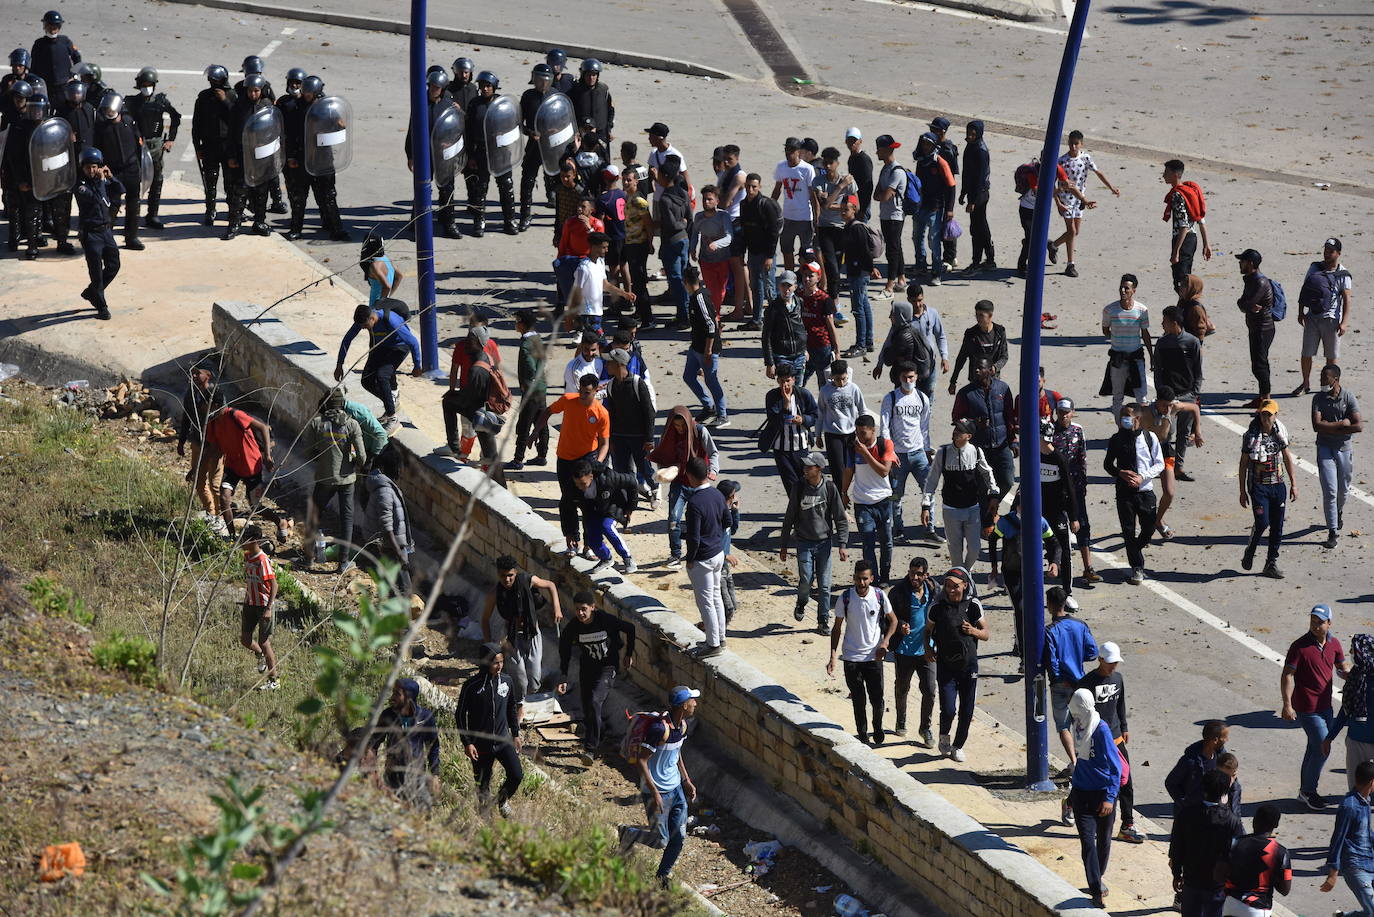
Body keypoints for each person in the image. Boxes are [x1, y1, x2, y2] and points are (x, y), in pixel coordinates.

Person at [618, 686, 699, 890]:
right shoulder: (659, 730)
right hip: (656, 792)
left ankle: (662, 875)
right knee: (661, 840)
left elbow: (677, 753)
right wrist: (654, 793)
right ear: (683, 705)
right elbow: (641, 761)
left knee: (679, 837)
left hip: (676, 789)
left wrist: (686, 780)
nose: (695, 704)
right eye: (692, 701)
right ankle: (628, 833)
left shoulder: (683, 726)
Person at [952, 358, 1017, 586]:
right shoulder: (966, 393)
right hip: (979, 448)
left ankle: (990, 509)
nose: (979, 371)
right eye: (976, 368)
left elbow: (1009, 416)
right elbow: (957, 419)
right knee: (982, 487)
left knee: (1007, 480)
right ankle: (986, 518)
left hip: (1001, 446)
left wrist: (1013, 440)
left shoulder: (1003, 389)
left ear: (992, 369)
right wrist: (972, 423)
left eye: (983, 367)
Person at [556, 591, 637, 765]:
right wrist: (563, 676)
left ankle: (591, 749)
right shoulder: (573, 627)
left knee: (594, 700)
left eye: (584, 609)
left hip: (608, 668)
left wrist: (628, 654)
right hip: (587, 669)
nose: (580, 614)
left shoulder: (605, 620)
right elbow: (565, 651)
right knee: (588, 708)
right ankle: (602, 730)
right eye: (577, 609)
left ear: (593, 607)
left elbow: (630, 629)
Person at [1280, 603, 1348, 809]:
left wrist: (1355, 677)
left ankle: (1304, 791)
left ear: (1329, 623)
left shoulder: (1334, 644)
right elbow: (1288, 675)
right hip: (1307, 708)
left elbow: (1341, 668)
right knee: (1322, 748)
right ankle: (1309, 791)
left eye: (1319, 622)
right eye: (1312, 621)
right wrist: (1287, 705)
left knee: (1313, 748)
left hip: (1326, 707)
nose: (1315, 625)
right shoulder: (1299, 646)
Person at [537, 373, 611, 557]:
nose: (582, 396)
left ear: (596, 390)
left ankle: (589, 545)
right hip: (565, 459)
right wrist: (534, 433)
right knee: (567, 500)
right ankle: (572, 541)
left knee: (588, 504)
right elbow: (547, 412)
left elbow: (604, 443)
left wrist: (598, 463)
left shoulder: (601, 413)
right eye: (581, 391)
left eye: (587, 392)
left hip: (587, 460)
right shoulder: (568, 400)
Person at [827, 560, 897, 746]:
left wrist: (885, 641)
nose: (862, 583)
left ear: (871, 579)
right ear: (854, 578)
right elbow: (837, 628)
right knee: (858, 699)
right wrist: (833, 656)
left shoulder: (880, 596)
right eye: (858, 579)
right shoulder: (845, 598)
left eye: (865, 579)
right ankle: (863, 734)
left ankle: (878, 726)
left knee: (877, 698)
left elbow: (894, 621)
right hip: (851, 657)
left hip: (873, 657)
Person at [1079, 643, 1143, 844]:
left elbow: (1120, 704)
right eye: (1109, 663)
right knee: (1094, 780)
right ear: (1100, 660)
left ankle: (1127, 824)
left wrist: (1124, 727)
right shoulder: (1087, 682)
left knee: (1126, 781)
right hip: (1095, 740)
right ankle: (1073, 803)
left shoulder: (1118, 679)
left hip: (1116, 738)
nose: (1113, 667)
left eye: (1115, 663)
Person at [1066, 687, 1123, 908]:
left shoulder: (1100, 730)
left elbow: (1115, 767)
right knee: (1088, 843)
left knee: (1103, 841)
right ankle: (1096, 886)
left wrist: (1109, 798)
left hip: (1102, 795)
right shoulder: (1078, 726)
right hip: (1081, 794)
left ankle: (1097, 877)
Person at [780, 451, 849, 632]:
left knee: (825, 586)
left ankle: (823, 620)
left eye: (809, 466)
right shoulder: (799, 487)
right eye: (805, 466)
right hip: (803, 542)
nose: (805, 469)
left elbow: (840, 518)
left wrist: (842, 544)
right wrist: (784, 544)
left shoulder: (829, 488)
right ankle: (802, 602)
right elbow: (789, 516)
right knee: (805, 579)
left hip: (824, 543)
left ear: (819, 469)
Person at [456, 643, 525, 817]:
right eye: (495, 662)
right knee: (483, 786)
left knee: (516, 775)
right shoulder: (471, 686)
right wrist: (467, 743)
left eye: (502, 661)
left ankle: (502, 801)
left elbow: (511, 708)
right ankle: (485, 823)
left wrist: (515, 734)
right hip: (480, 746)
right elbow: (459, 715)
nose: (500, 666)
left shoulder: (507, 681)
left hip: (503, 741)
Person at [927, 567, 988, 762]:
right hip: (946, 666)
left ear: (965, 585)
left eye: (955, 586)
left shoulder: (973, 605)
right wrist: (928, 649)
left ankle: (958, 745)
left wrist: (973, 631)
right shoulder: (936, 607)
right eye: (947, 586)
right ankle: (944, 736)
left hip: (969, 666)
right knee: (949, 708)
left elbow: (986, 633)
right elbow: (927, 631)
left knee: (967, 710)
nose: (951, 590)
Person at [481, 555, 560, 698]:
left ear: (515, 573)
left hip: (532, 634)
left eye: (510, 575)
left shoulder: (526, 580)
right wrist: (489, 647)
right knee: (520, 678)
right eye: (503, 576)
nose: (507, 579)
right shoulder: (495, 594)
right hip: (511, 638)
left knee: (535, 680)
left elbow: (550, 585)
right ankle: (519, 705)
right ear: (498, 574)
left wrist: (557, 607)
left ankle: (532, 697)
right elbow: (485, 619)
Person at [334, 300, 423, 428]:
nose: (363, 328)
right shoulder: (363, 320)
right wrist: (339, 365)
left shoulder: (391, 320)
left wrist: (417, 365)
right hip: (381, 346)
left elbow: (413, 342)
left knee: (382, 375)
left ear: (372, 318)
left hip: (399, 347)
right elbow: (347, 340)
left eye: (365, 325)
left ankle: (393, 418)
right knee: (366, 380)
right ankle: (391, 401)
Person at [922, 419, 996, 574]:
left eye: (960, 431)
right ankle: (960, 577)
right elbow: (932, 480)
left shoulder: (976, 451)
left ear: (968, 436)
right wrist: (926, 505)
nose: (955, 432)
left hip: (972, 509)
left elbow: (987, 472)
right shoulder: (943, 453)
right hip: (951, 510)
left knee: (975, 549)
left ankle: (964, 573)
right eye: (955, 429)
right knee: (955, 553)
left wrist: (993, 492)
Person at [649, 406, 719, 568]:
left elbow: (713, 452)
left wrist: (713, 470)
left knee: (699, 521)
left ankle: (699, 554)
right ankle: (675, 555)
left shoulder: (700, 432)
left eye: (683, 426)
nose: (680, 429)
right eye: (676, 426)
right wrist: (665, 472)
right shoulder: (668, 436)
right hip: (679, 483)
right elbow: (663, 457)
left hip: (699, 483)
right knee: (674, 519)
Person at [305, 389, 366, 572]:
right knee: (346, 520)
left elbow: (308, 452)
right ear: (342, 404)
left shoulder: (316, 423)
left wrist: (322, 460)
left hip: (324, 478)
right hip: (346, 480)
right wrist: (352, 459)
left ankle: (308, 558)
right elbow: (362, 458)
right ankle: (343, 563)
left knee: (314, 516)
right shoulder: (352, 425)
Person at [1170, 769, 1245, 917]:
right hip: (1218, 886)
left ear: (1203, 788)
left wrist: (1177, 873)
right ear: (1225, 792)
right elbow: (1238, 854)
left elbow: (1177, 847)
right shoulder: (1232, 821)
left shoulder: (1186, 814)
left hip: (1191, 880)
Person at [1103, 403, 1164, 585]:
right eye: (1122, 415)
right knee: (1128, 531)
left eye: (1127, 415)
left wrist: (1142, 477)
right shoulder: (1116, 439)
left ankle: (1134, 549)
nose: (1124, 419)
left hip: (1145, 492)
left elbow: (1159, 464)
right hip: (1124, 493)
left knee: (1149, 528)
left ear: (1137, 418)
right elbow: (1108, 465)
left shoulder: (1149, 437)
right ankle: (1137, 566)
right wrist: (1120, 473)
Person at [1048, 131, 1119, 279]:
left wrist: (1111, 187)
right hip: (1065, 199)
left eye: (1076, 143)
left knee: (1075, 232)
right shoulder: (1061, 161)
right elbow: (1052, 184)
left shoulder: (1086, 158)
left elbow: (1098, 173)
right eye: (1071, 143)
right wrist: (1058, 202)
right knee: (1071, 231)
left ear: (1081, 144)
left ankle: (1053, 245)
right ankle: (1070, 264)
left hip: (1080, 200)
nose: (1073, 146)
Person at [1239, 400, 1297, 579]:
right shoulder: (1250, 436)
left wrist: (1294, 484)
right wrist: (1242, 491)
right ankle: (1251, 549)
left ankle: (1271, 562)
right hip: (1258, 486)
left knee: (1277, 526)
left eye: (1269, 414)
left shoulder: (1280, 433)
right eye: (1263, 414)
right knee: (1263, 522)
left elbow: (1287, 457)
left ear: (1275, 415)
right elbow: (1243, 464)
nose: (1266, 418)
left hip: (1278, 485)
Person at [1138, 386, 1203, 540]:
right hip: (1146, 452)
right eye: (1164, 405)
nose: (1167, 408)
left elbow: (1194, 407)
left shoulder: (1174, 407)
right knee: (1139, 493)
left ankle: (1158, 520)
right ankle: (1138, 524)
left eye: (1169, 405)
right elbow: (1159, 435)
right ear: (1157, 402)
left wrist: (1197, 431)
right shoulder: (1146, 412)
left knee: (1170, 492)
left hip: (1165, 450)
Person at [440, 327, 506, 477]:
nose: (467, 343)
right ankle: (456, 448)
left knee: (491, 458)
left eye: (471, 340)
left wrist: (455, 397)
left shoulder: (476, 370)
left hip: (480, 415)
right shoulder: (483, 357)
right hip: (482, 411)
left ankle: (456, 448)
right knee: (491, 456)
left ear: (479, 343)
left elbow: (470, 398)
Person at [204, 396, 274, 534]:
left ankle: (279, 521)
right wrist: (196, 469)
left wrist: (267, 455)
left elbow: (263, 427)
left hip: (251, 466)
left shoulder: (235, 415)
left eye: (207, 405)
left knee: (255, 506)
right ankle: (231, 537)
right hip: (232, 466)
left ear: (216, 404)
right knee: (224, 498)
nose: (203, 409)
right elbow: (213, 448)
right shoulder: (213, 423)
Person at [683, 456, 731, 657]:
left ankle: (713, 644)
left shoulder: (694, 502)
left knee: (706, 602)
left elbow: (693, 537)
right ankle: (720, 638)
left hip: (702, 558)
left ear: (691, 476)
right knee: (715, 597)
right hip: (718, 554)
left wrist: (689, 558)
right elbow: (727, 520)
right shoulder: (717, 494)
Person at [880, 362, 931, 544]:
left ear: (917, 376)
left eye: (911, 377)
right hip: (898, 456)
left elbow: (924, 427)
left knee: (928, 490)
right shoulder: (891, 398)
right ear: (899, 378)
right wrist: (889, 452)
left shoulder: (923, 399)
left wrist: (927, 450)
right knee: (895, 495)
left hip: (918, 454)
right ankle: (898, 529)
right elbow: (884, 427)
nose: (908, 380)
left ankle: (929, 528)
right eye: (904, 377)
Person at [1051, 399, 1100, 588]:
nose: (1063, 415)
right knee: (1057, 528)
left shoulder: (1078, 431)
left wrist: (1084, 482)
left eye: (1067, 412)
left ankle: (1088, 567)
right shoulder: (1049, 430)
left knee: (1082, 525)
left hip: (1076, 487)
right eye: (1060, 412)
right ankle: (1058, 564)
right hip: (1055, 487)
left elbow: (1082, 457)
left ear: (1073, 412)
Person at [368, 678, 440, 806]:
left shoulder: (425, 717)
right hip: (393, 775)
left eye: (397, 694)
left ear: (409, 697)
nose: (392, 697)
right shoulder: (388, 715)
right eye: (393, 692)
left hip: (417, 776)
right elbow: (374, 743)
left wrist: (435, 775)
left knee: (424, 812)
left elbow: (433, 746)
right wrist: (372, 771)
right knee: (394, 812)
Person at [1295, 237, 1354, 394]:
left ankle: (1331, 387)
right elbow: (1305, 289)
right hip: (1312, 317)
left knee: (1331, 356)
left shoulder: (1343, 274)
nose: (1327, 253)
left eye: (1331, 251)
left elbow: (1347, 299)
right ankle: (1305, 383)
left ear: (1338, 253)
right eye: (1325, 250)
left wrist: (1344, 323)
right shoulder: (1315, 268)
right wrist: (1301, 312)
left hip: (1332, 320)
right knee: (1306, 353)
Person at [123, 67, 179, 230]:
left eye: (149, 84)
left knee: (157, 181)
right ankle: (132, 215)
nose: (147, 87)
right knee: (134, 182)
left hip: (155, 146)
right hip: (136, 146)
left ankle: (152, 215)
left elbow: (176, 117)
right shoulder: (132, 102)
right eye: (144, 84)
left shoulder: (160, 101)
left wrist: (170, 140)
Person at [1154, 305, 1205, 482]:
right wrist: (1162, 394)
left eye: (1165, 321)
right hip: (1169, 399)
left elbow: (1198, 369)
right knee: (1167, 433)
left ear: (1174, 323)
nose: (1162, 324)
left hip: (1187, 395)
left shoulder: (1192, 342)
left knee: (1183, 434)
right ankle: (1164, 466)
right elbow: (1158, 370)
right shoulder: (1162, 343)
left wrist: (1195, 392)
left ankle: (1178, 468)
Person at [844, 414, 897, 584]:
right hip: (862, 503)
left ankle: (885, 577)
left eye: (863, 433)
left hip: (884, 501)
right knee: (867, 544)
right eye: (857, 433)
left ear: (873, 431)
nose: (859, 437)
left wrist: (865, 453)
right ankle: (872, 580)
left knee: (886, 543)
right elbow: (848, 470)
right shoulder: (853, 446)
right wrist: (843, 493)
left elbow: (884, 472)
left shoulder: (885, 444)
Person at [889, 557, 937, 746]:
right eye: (912, 573)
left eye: (919, 574)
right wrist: (900, 625)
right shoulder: (898, 592)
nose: (914, 577)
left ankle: (925, 728)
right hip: (904, 650)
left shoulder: (934, 591)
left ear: (926, 574)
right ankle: (901, 720)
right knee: (902, 688)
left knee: (930, 691)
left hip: (927, 651)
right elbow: (888, 617)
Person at [1313, 364, 1362, 549]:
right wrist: (1342, 424)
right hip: (1324, 448)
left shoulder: (1348, 397)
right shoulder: (1318, 398)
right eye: (1320, 377)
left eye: (1325, 378)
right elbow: (1316, 426)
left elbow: (1358, 426)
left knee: (1343, 489)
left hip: (1344, 448)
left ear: (1336, 379)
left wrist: (1330, 426)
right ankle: (1332, 531)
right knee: (1330, 491)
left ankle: (1338, 511)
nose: (1321, 381)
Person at [69, 149, 121, 319]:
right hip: (91, 235)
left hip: (106, 231)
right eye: (87, 168)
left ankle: (92, 292)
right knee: (96, 273)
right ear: (82, 168)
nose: (91, 171)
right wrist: (101, 181)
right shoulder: (80, 185)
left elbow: (121, 189)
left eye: (94, 167)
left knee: (114, 265)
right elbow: (96, 199)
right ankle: (101, 305)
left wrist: (111, 178)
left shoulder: (102, 181)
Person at [92, 89, 145, 251]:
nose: (109, 113)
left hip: (131, 169)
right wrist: (102, 167)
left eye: (112, 110)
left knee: (133, 204)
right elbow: (97, 149)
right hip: (113, 171)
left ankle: (132, 237)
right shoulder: (101, 128)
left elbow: (140, 145)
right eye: (107, 110)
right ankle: (106, 238)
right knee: (111, 205)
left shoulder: (129, 122)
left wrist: (140, 167)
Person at [222, 75, 273, 240]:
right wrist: (231, 155)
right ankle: (234, 224)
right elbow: (231, 133)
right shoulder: (239, 107)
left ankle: (259, 222)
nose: (253, 94)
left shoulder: (267, 106)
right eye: (250, 91)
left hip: (262, 157)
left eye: (256, 91)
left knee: (261, 192)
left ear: (261, 91)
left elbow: (274, 131)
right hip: (243, 155)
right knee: (239, 192)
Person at [1320, 760, 1374, 914]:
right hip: (1355, 865)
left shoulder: (1365, 801)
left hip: (1369, 861)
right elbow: (1338, 838)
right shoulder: (1349, 806)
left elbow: (1365, 832)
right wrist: (1333, 873)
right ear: (1371, 782)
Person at [359, 451, 413, 598]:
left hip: (390, 544)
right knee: (403, 587)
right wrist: (399, 554)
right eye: (398, 468)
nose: (400, 472)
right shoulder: (386, 492)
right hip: (391, 546)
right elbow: (386, 527)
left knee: (396, 584)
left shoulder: (383, 487)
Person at [1325, 632, 1374, 793]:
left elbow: (1345, 711)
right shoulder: (1355, 676)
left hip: (1357, 741)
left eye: (1353, 650)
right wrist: (1329, 737)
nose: (1351, 654)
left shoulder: (1355, 677)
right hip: (1357, 742)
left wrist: (1330, 737)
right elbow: (1345, 710)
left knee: (1356, 789)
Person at [571, 458, 639, 575]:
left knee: (607, 527)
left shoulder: (609, 478)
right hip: (593, 511)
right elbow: (567, 506)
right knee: (591, 537)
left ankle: (627, 558)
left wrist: (630, 508)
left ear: (591, 477)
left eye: (583, 484)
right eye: (577, 484)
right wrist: (570, 532)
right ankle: (606, 558)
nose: (580, 487)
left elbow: (632, 482)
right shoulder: (573, 488)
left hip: (612, 506)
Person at [604, 348, 656, 500]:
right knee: (622, 471)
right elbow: (611, 414)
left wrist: (649, 439)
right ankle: (627, 500)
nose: (606, 365)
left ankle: (655, 490)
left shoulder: (637, 383)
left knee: (645, 469)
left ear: (619, 364)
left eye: (609, 362)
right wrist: (611, 439)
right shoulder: (611, 385)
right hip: (619, 437)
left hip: (639, 437)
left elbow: (649, 412)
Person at [177, 363, 223, 529]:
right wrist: (181, 441)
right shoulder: (191, 394)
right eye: (192, 374)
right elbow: (186, 418)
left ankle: (221, 517)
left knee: (215, 484)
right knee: (199, 482)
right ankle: (211, 514)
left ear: (208, 375)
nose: (194, 377)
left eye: (197, 373)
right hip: (197, 442)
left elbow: (222, 421)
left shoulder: (216, 394)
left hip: (215, 446)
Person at [1100, 273, 1152, 421]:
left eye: (1126, 288)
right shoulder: (1109, 310)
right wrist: (1117, 339)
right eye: (1121, 287)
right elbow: (1105, 330)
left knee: (1142, 397)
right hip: (1118, 359)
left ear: (1133, 290)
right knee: (1117, 396)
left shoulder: (1142, 310)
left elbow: (1145, 333)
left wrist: (1152, 356)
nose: (1123, 291)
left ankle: (1141, 428)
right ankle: (1120, 427)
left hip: (1136, 358)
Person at [1223, 804, 1292, 917]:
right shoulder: (1281, 852)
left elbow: (1218, 874)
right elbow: (1285, 890)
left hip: (1229, 905)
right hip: (1257, 910)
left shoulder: (1233, 843)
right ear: (1276, 825)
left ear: (1254, 820)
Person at [760, 366, 818, 499]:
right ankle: (797, 513)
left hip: (801, 447)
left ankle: (806, 510)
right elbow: (773, 420)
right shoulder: (772, 396)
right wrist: (786, 406)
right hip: (781, 449)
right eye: (781, 381)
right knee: (790, 484)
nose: (784, 385)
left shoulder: (804, 394)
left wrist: (803, 419)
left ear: (794, 379)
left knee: (805, 481)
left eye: (787, 380)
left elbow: (815, 416)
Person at [682, 264, 727, 427]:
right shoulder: (697, 295)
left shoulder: (700, 298)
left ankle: (722, 415)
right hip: (696, 347)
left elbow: (711, 326)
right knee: (688, 376)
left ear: (686, 282)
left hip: (706, 349)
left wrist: (708, 351)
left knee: (711, 381)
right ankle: (708, 406)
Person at [810, 148, 856, 302]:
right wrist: (840, 188)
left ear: (837, 163)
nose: (828, 166)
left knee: (838, 264)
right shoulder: (819, 181)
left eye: (831, 163)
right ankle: (834, 302)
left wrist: (832, 202)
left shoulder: (848, 179)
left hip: (843, 228)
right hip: (825, 228)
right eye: (825, 163)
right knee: (831, 266)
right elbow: (824, 206)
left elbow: (856, 206)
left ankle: (834, 298)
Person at [910, 132, 955, 285]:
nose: (925, 146)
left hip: (935, 208)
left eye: (928, 144)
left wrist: (950, 209)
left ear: (934, 145)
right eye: (924, 143)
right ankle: (920, 266)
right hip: (920, 207)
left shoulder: (940, 162)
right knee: (917, 237)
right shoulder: (921, 161)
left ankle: (936, 272)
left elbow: (951, 186)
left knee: (934, 241)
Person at [739, 172, 783, 328]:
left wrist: (770, 256)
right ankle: (757, 320)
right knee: (756, 287)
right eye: (748, 186)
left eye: (754, 187)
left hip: (765, 254)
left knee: (770, 288)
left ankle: (779, 319)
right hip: (753, 252)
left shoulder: (766, 205)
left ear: (759, 187)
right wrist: (742, 252)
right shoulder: (744, 204)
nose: (750, 190)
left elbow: (773, 232)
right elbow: (744, 230)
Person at [1235, 248, 1276, 408]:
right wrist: (1246, 304)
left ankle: (1266, 401)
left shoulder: (1259, 282)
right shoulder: (1250, 279)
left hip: (1262, 329)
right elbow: (1243, 303)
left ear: (1250, 263)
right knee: (1257, 364)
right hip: (1256, 327)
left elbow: (1246, 303)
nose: (1240, 263)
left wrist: (1246, 304)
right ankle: (1262, 398)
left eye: (1242, 261)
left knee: (1260, 365)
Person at [239, 524, 279, 689]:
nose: (241, 542)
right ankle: (259, 654)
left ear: (254, 540)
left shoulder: (263, 561)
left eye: (244, 539)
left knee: (264, 642)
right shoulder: (247, 557)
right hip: (250, 603)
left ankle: (274, 680)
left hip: (263, 606)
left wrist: (269, 608)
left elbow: (274, 585)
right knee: (245, 639)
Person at [508, 309, 548, 470]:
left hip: (531, 391)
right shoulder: (537, 338)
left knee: (524, 424)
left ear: (523, 324)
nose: (515, 324)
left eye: (517, 321)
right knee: (541, 422)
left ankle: (518, 459)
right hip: (541, 389)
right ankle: (542, 455)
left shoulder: (525, 345)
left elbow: (530, 368)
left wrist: (526, 383)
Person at [653, 156, 691, 327]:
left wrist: (680, 224)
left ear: (665, 177)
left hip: (671, 242)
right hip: (684, 240)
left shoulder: (665, 200)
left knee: (676, 281)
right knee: (684, 278)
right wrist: (684, 224)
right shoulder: (683, 193)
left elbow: (669, 224)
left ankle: (683, 316)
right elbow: (689, 218)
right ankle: (686, 312)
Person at [842, 196, 882, 356]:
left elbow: (865, 251)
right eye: (842, 209)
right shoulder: (849, 227)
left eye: (847, 209)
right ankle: (868, 341)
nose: (843, 212)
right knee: (864, 306)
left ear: (854, 210)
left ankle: (861, 345)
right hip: (858, 272)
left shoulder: (856, 228)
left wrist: (871, 269)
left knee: (858, 309)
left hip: (859, 273)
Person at [818, 360, 868, 486]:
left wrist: (864, 433)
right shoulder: (825, 391)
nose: (841, 383)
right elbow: (820, 413)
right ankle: (840, 497)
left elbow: (862, 410)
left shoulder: (854, 389)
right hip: (832, 434)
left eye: (844, 379)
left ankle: (846, 491)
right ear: (832, 377)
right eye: (837, 379)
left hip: (851, 434)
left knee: (849, 467)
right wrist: (818, 435)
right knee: (837, 468)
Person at [1166, 720, 1230, 814]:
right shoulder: (1189, 761)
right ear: (1215, 740)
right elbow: (1171, 783)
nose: (1227, 740)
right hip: (1190, 817)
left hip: (1211, 813)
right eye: (1225, 737)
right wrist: (1185, 804)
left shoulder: (1221, 758)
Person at [772, 136, 816, 272]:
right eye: (786, 150)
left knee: (807, 254)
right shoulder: (781, 166)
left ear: (799, 152)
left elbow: (813, 195)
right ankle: (790, 278)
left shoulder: (807, 169)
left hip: (805, 218)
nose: (788, 153)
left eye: (792, 150)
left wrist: (816, 218)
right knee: (786, 250)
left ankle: (806, 280)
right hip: (788, 217)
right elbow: (777, 189)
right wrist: (770, 208)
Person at [958, 121, 994, 273]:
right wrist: (963, 193)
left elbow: (979, 178)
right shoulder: (971, 146)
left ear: (979, 134)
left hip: (980, 194)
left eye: (973, 134)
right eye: (968, 133)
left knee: (977, 228)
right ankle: (989, 259)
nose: (970, 136)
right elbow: (967, 173)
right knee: (980, 227)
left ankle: (977, 262)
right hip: (974, 193)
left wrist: (972, 201)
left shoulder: (980, 150)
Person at [948, 300, 1008, 392]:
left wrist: (995, 367)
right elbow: (961, 358)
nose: (978, 318)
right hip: (975, 381)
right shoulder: (971, 334)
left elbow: (1004, 356)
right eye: (976, 315)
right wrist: (953, 381)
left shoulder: (1000, 332)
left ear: (990, 316)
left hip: (994, 380)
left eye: (981, 315)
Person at [690, 185, 733, 313]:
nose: (706, 202)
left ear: (717, 201)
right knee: (710, 289)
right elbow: (695, 233)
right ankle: (715, 316)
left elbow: (729, 237)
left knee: (721, 291)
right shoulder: (699, 217)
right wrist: (693, 248)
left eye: (709, 199)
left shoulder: (723, 216)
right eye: (704, 199)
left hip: (723, 259)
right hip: (706, 260)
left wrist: (716, 244)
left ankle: (715, 313)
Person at [762, 268, 809, 381]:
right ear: (779, 286)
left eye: (789, 286)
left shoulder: (800, 303)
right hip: (782, 356)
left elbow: (804, 328)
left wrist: (805, 349)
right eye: (783, 285)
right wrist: (770, 363)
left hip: (800, 355)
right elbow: (766, 336)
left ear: (795, 287)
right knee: (786, 387)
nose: (786, 289)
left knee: (798, 388)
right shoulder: (773, 309)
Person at [874, 134, 907, 294]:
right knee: (896, 247)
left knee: (892, 251)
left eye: (879, 150)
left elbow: (885, 196)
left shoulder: (897, 171)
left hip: (895, 216)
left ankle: (890, 285)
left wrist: (884, 194)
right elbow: (877, 195)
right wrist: (883, 195)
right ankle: (901, 278)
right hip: (886, 215)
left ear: (887, 150)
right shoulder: (885, 169)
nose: (876, 153)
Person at [798, 264, 839, 389]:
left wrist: (837, 350)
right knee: (799, 381)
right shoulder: (798, 297)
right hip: (803, 347)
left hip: (822, 347)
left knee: (825, 384)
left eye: (811, 276)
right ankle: (797, 406)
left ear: (818, 278)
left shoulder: (824, 299)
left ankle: (824, 407)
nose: (807, 279)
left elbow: (831, 326)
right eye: (805, 275)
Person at [30, 10, 80, 88]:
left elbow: (77, 57)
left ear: (59, 27)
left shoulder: (65, 41)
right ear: (45, 26)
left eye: (55, 26)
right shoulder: (39, 44)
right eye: (49, 26)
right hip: (46, 86)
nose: (52, 29)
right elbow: (33, 66)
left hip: (65, 85)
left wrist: (74, 76)